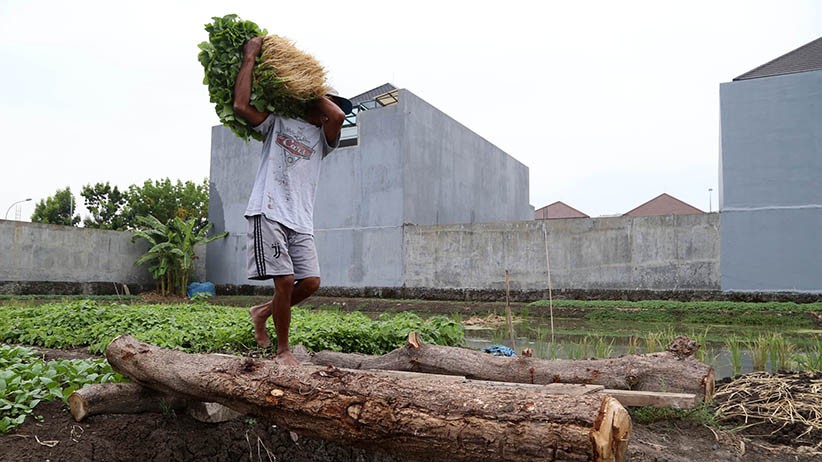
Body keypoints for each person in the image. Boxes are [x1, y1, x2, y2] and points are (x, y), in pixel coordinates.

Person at [232, 36, 351, 366]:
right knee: (284, 280)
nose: (327, 110)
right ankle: (283, 349)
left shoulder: (326, 139)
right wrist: (251, 58)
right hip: (268, 211)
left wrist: (305, 85)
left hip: (300, 220)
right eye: (324, 102)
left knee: (310, 282)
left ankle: (262, 312)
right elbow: (241, 106)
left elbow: (338, 116)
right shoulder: (278, 123)